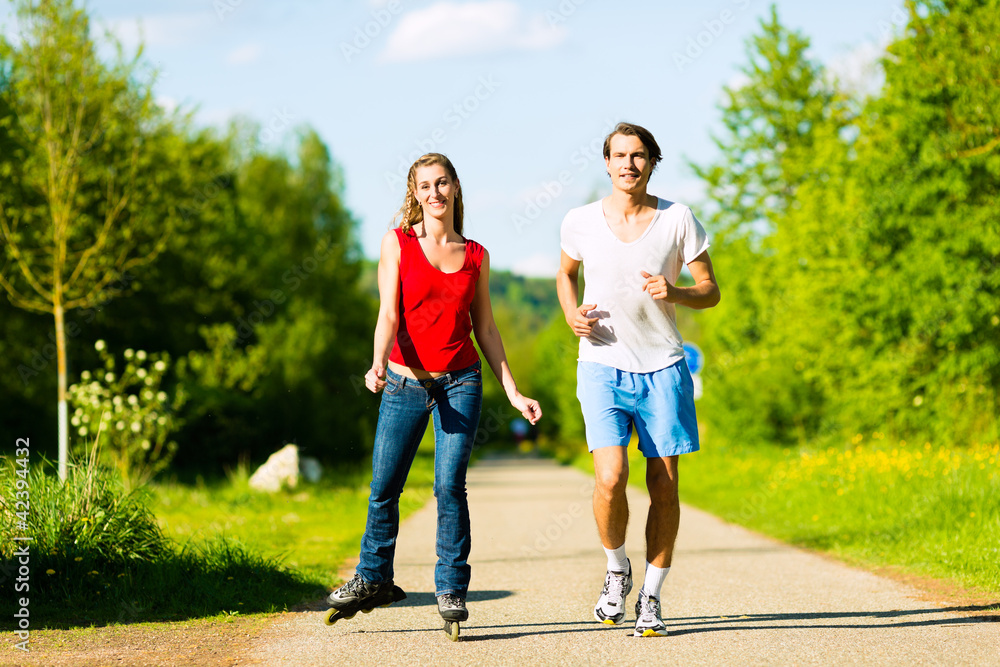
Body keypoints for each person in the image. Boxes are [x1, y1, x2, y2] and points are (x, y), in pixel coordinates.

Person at [327, 153, 542, 632]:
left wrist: (512, 390)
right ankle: (373, 577)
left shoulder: (477, 255)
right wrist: (377, 361)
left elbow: (486, 328)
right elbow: (389, 313)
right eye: (425, 186)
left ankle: (451, 588)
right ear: (415, 193)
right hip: (403, 381)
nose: (434, 193)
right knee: (384, 486)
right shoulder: (397, 243)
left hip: (460, 382)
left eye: (442, 183)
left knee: (448, 486)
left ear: (455, 187)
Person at [556, 122, 720, 637]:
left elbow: (710, 289)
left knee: (664, 485)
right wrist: (571, 314)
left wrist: (677, 292)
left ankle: (650, 596)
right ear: (606, 163)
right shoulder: (580, 221)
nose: (629, 164)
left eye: (639, 155)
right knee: (610, 478)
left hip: (663, 367)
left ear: (652, 162)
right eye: (620, 155)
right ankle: (616, 570)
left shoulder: (678, 219)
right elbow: (565, 274)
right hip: (601, 364)